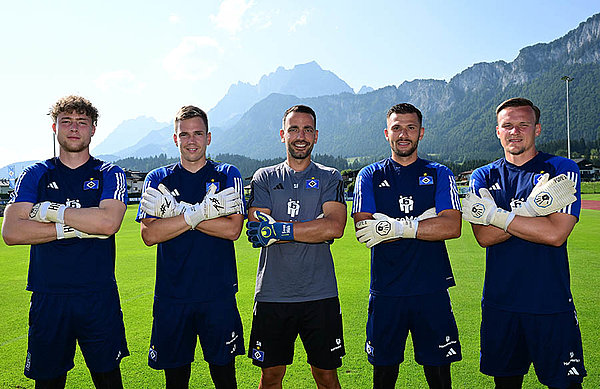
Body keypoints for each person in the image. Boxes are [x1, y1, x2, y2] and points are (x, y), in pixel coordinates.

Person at [1, 95, 129, 389]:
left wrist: (50, 212)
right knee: (48, 383)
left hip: (97, 296)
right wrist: (74, 227)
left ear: (93, 129)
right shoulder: (35, 174)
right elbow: (12, 232)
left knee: (108, 380)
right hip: (49, 296)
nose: (74, 128)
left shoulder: (109, 173)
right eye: (66, 121)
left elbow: (108, 223)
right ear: (54, 127)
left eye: (82, 122)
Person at [462, 97, 585, 389]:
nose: (514, 132)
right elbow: (485, 236)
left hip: (550, 302)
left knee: (566, 385)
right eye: (507, 126)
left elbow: (556, 234)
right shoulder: (483, 175)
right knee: (506, 385)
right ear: (497, 131)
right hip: (500, 304)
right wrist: (532, 211)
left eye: (523, 125)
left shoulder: (561, 169)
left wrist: (496, 214)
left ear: (537, 129)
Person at [352, 103, 462, 389]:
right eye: (397, 127)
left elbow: (451, 226)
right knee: (384, 377)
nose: (404, 134)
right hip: (387, 291)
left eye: (411, 127)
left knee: (439, 377)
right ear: (386, 133)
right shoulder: (369, 175)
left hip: (431, 289)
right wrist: (423, 223)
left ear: (421, 133)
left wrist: (395, 226)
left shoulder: (439, 173)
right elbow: (365, 230)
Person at [136, 105, 245, 389]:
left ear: (209, 137)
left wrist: (177, 213)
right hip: (173, 297)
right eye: (184, 135)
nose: (191, 140)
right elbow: (149, 234)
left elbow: (233, 229)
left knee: (225, 379)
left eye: (198, 133)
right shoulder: (157, 180)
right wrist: (200, 213)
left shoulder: (226, 174)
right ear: (175, 139)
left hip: (217, 295)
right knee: (175, 381)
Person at [245, 104, 347, 389]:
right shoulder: (264, 177)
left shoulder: (330, 176)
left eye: (307, 130)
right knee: (271, 376)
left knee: (326, 376)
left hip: (320, 293)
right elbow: (258, 230)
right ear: (282, 134)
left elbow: (334, 227)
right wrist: (311, 228)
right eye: (293, 129)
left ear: (316, 136)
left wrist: (279, 229)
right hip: (272, 294)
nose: (300, 135)